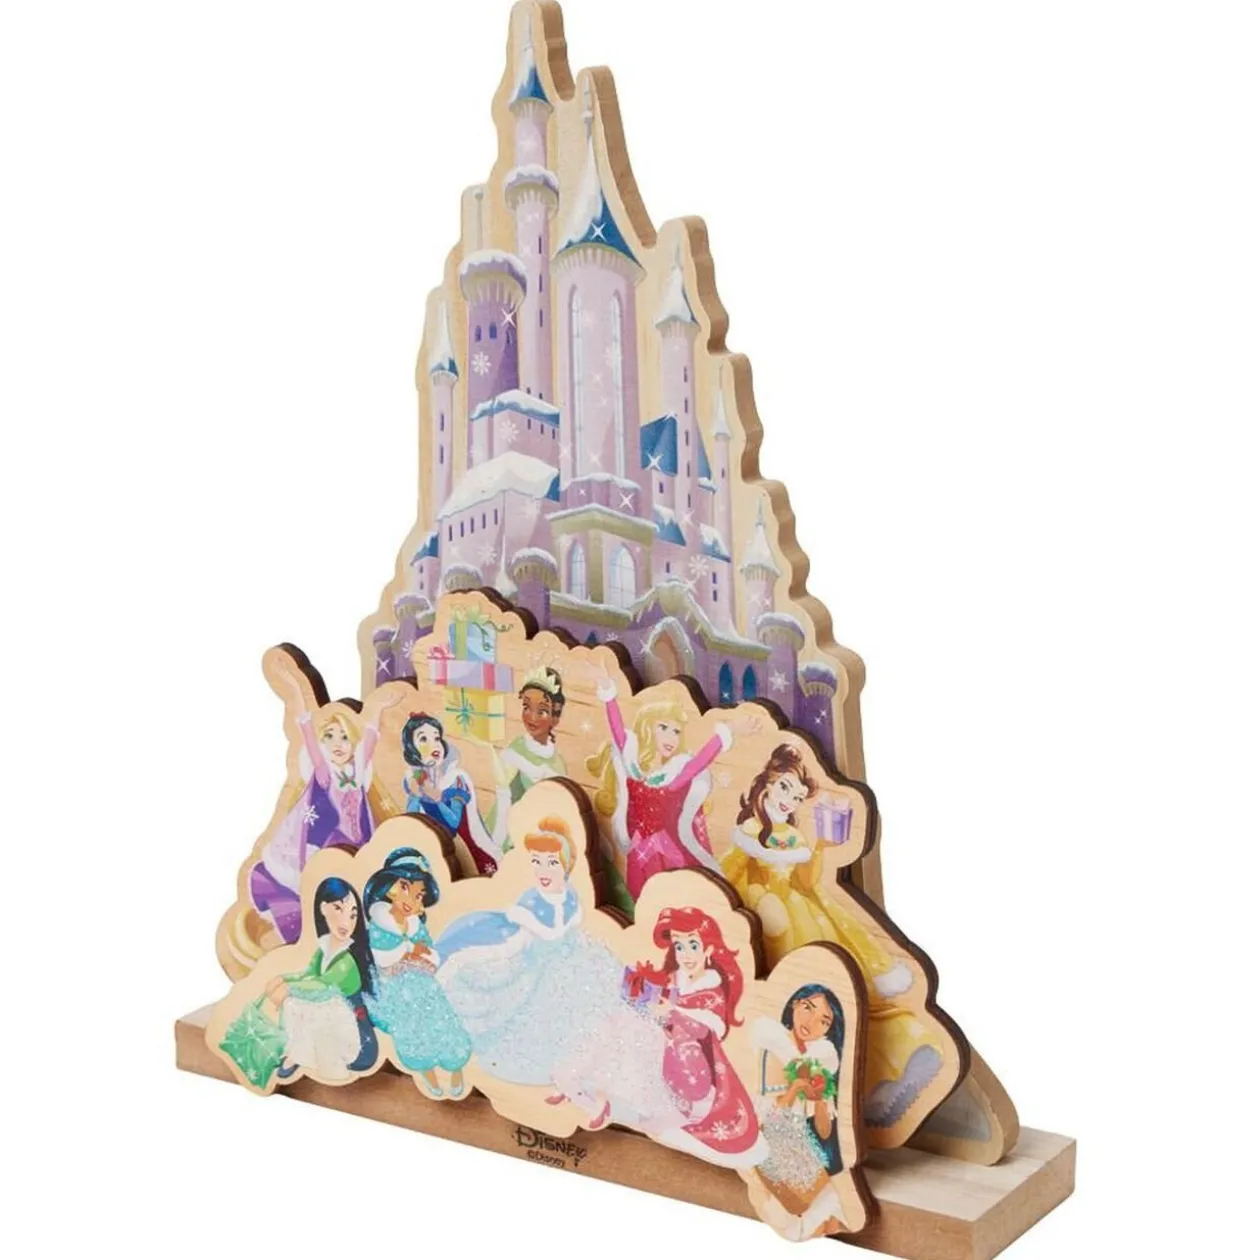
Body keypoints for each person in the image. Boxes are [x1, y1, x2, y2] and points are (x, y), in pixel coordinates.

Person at [722, 743, 943, 1129]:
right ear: (767, 783)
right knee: (820, 1005)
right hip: (770, 925)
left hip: (800, 918)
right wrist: (759, 891)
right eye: (785, 787)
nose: (790, 800)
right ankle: (860, 1086)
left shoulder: (792, 837)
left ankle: (898, 1058)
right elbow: (728, 878)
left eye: (798, 796)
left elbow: (806, 881)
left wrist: (820, 847)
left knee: (846, 986)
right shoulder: (750, 832)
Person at [434, 815, 625, 1085]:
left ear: (566, 864)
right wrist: (479, 961)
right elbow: (515, 943)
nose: (543, 870)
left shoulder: (570, 897)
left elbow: (572, 934)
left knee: (594, 999)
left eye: (552, 863)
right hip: (537, 973)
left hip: (566, 966)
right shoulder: (531, 902)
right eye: (537, 862)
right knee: (536, 1017)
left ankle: (584, 1061)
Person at [585, 665, 756, 900]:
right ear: (648, 728)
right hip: (638, 853)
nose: (670, 737)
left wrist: (728, 731)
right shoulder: (634, 768)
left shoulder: (673, 775)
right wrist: (608, 694)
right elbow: (619, 734)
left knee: (671, 899)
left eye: (676, 731)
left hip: (666, 853)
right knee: (641, 897)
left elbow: (699, 762)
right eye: (663, 728)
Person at [250, 694, 391, 944]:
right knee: (325, 883)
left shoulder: (356, 773)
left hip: (355, 839)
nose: (337, 744)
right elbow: (312, 747)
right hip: (327, 839)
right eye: (330, 736)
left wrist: (378, 709)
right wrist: (303, 711)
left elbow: (369, 743)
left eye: (344, 737)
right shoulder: (326, 774)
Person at [362, 847, 472, 1099]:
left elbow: (427, 949)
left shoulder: (414, 925)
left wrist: (419, 954)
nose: (412, 899)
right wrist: (410, 953)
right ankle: (428, 1074)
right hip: (399, 990)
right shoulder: (379, 925)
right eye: (405, 888)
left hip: (425, 985)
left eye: (419, 895)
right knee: (414, 1032)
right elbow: (382, 958)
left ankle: (456, 1069)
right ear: (389, 888)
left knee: (443, 1023)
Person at [751, 984, 852, 1240]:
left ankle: (816, 1222)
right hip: (770, 1137)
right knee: (795, 1203)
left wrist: (820, 1101)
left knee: (825, 1197)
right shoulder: (774, 1048)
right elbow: (768, 1116)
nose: (811, 1022)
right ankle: (801, 1224)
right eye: (808, 1008)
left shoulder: (819, 1060)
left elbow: (824, 1131)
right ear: (795, 1004)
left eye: (824, 1021)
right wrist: (795, 1088)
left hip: (798, 1142)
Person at [258, 877, 378, 1082]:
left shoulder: (346, 960)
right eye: (338, 909)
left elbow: (324, 985)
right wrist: (281, 979)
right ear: (323, 908)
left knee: (298, 1003)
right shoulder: (324, 949)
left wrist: (288, 988)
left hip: (356, 1039)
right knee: (299, 1002)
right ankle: (297, 1052)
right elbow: (309, 975)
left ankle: (302, 1056)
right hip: (334, 1016)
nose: (346, 922)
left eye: (352, 915)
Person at [401, 712, 501, 876]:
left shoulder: (455, 779)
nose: (434, 745)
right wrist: (418, 795)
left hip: (464, 853)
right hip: (433, 854)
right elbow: (412, 823)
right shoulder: (416, 781)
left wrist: (437, 799)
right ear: (412, 748)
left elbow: (453, 824)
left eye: (437, 738)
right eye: (423, 739)